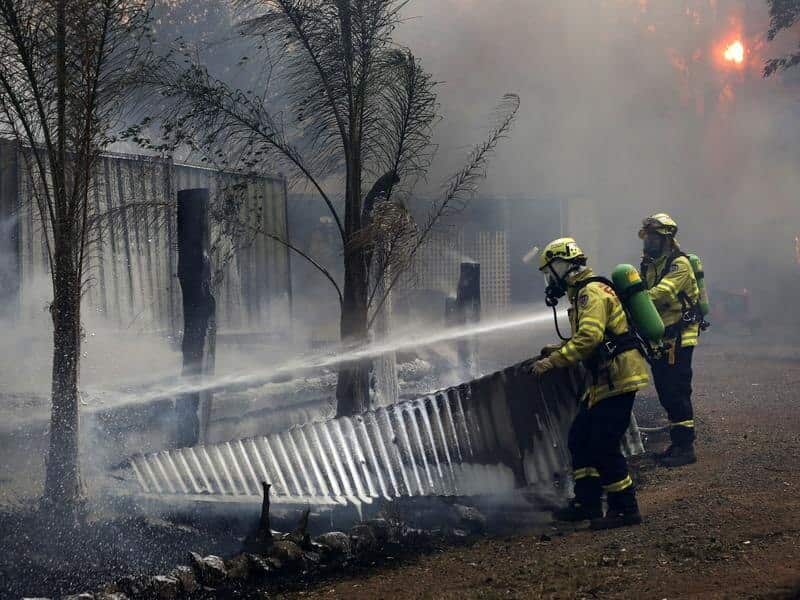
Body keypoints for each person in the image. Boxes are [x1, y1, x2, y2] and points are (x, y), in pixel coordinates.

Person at [532, 237, 649, 529]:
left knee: (603, 444)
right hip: (603, 379)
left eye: (550, 272)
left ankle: (625, 508)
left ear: (562, 265)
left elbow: (590, 339)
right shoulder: (583, 292)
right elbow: (590, 335)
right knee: (580, 438)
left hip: (618, 376)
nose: (550, 280)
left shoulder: (590, 293)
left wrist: (553, 361)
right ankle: (588, 503)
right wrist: (557, 348)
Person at [639, 213, 701, 467]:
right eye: (647, 236)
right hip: (661, 336)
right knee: (665, 389)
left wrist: (631, 300)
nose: (648, 241)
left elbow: (661, 294)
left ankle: (686, 448)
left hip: (680, 336)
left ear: (666, 238)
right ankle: (677, 444)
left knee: (677, 390)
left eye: (654, 236)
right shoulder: (649, 264)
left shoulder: (679, 264)